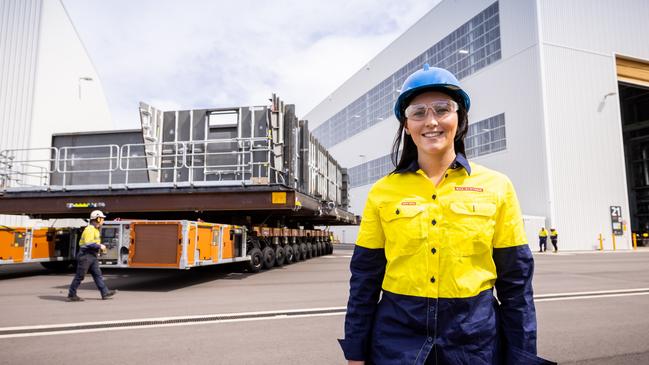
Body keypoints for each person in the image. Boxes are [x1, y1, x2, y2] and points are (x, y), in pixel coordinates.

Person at [339, 65, 553, 364]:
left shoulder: (497, 186)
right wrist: (356, 350)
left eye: (442, 109)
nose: (432, 121)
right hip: (396, 345)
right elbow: (364, 279)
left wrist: (522, 355)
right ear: (406, 124)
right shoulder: (382, 192)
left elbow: (516, 284)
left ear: (459, 118)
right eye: (418, 112)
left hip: (474, 345)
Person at [67, 210, 116, 301]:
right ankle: (71, 294)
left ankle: (105, 292)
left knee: (98, 275)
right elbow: (88, 243)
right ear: (97, 219)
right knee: (80, 276)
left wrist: (99, 249)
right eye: (101, 219)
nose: (102, 221)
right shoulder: (89, 229)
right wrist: (100, 246)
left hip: (92, 256)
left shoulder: (95, 229)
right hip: (86, 255)